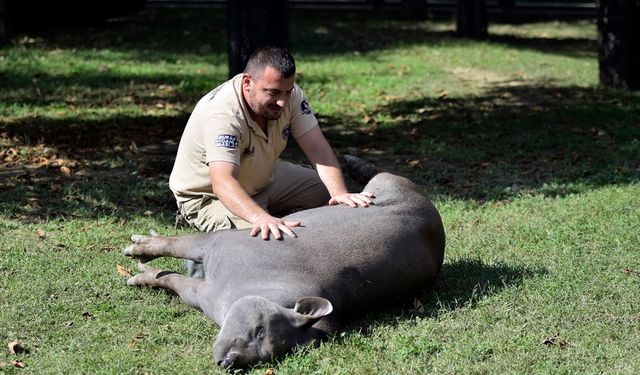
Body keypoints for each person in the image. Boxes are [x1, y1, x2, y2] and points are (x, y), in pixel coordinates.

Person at [169, 46, 373, 275]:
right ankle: (201, 257)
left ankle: (276, 215)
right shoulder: (223, 116)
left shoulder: (289, 95)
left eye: (288, 91)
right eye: (274, 93)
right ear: (247, 83)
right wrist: (260, 217)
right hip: (210, 196)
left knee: (330, 198)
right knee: (266, 243)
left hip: (264, 177)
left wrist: (339, 193)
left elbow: (317, 148)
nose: (283, 102)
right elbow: (223, 181)